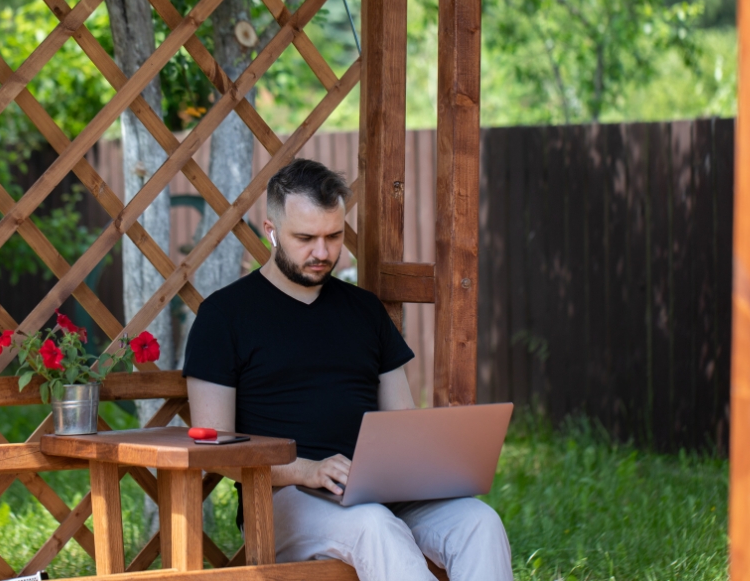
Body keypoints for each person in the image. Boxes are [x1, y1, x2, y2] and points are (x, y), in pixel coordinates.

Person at [182, 158, 513, 581]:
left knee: (478, 522)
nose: (322, 253)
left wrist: (427, 464)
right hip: (283, 496)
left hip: (378, 491)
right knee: (372, 525)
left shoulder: (364, 310)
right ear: (271, 232)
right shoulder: (224, 316)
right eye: (305, 238)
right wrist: (310, 470)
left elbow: (401, 422)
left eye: (334, 236)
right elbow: (216, 451)